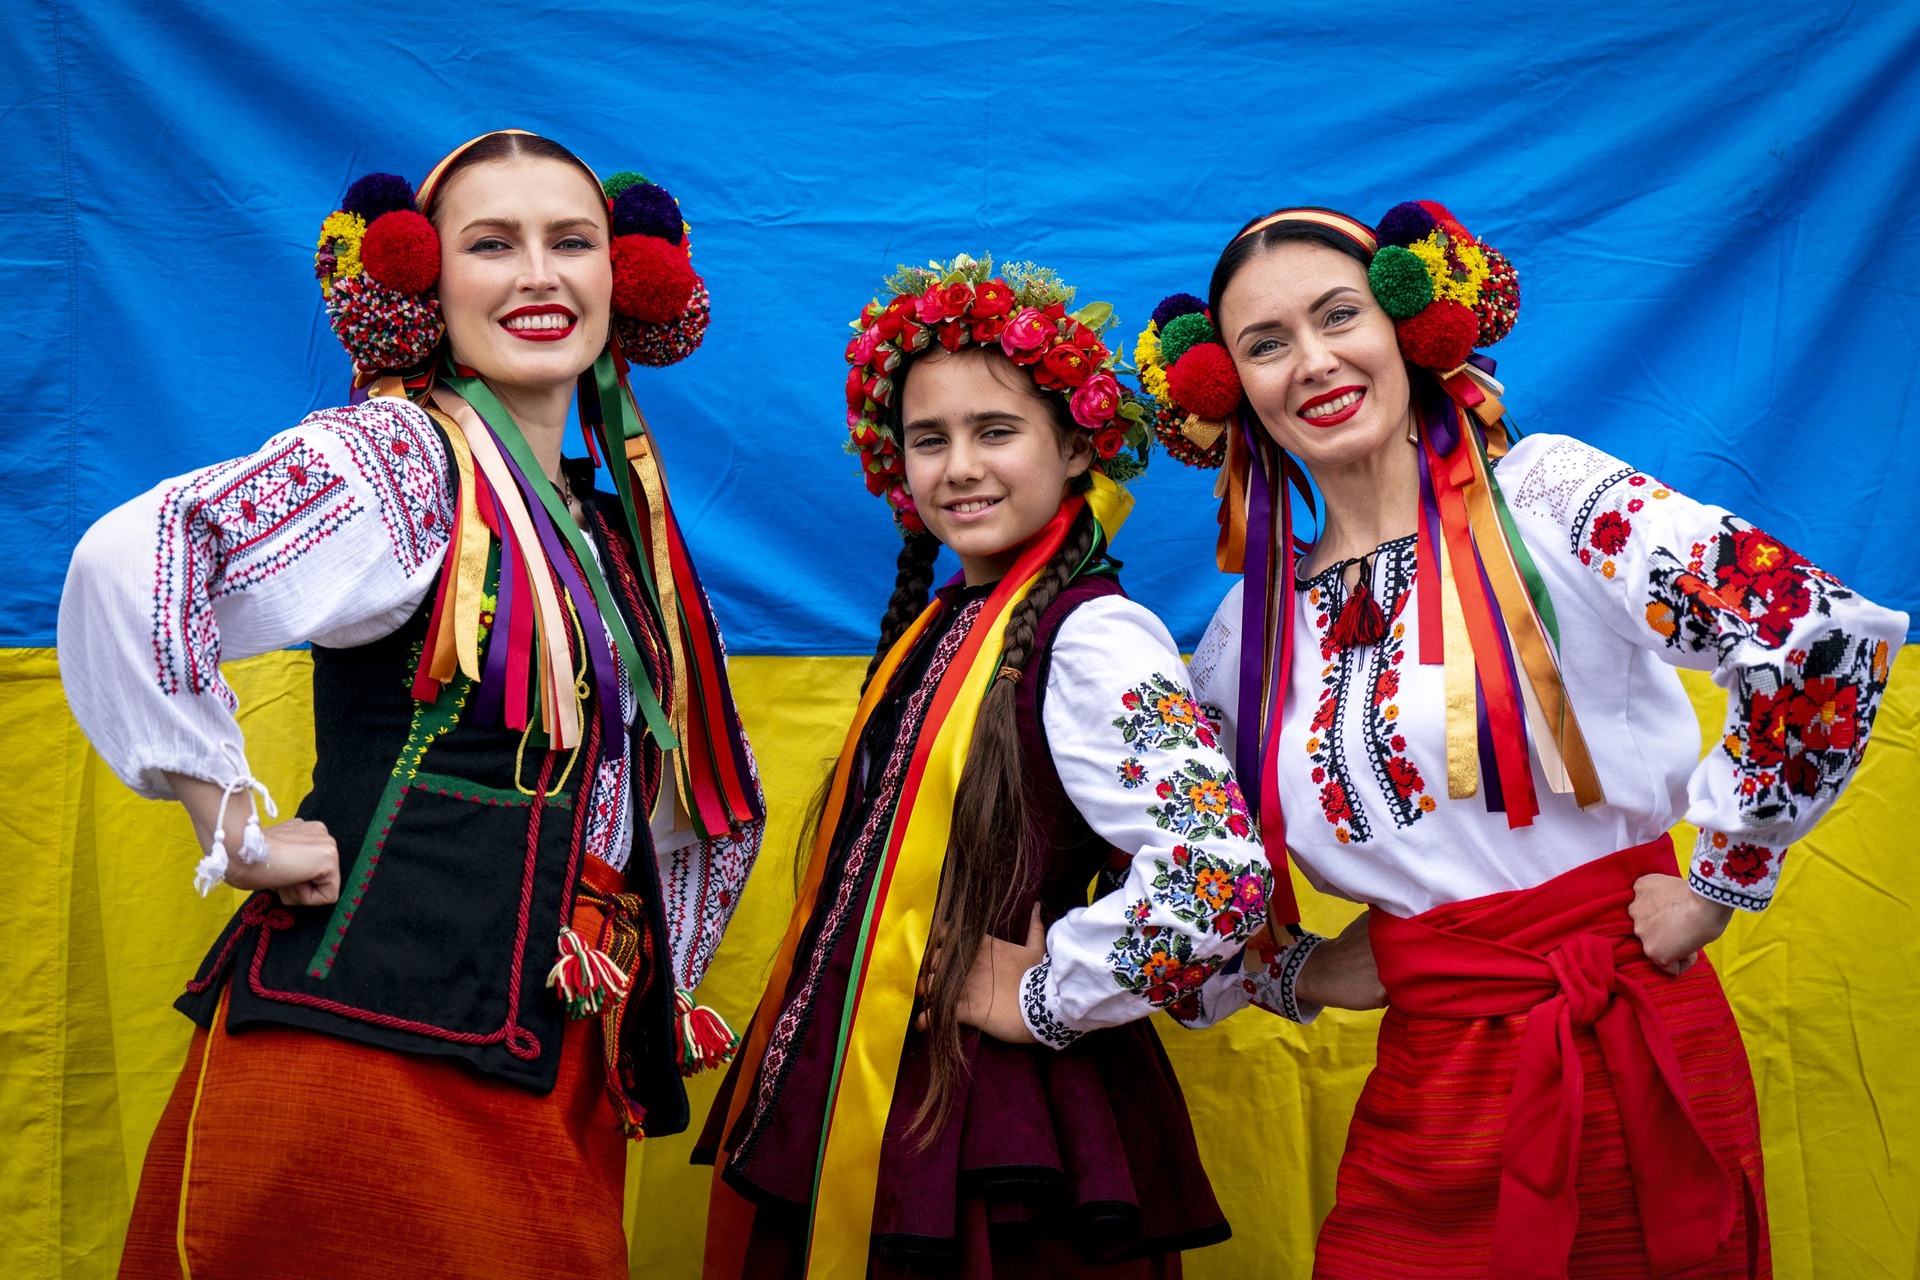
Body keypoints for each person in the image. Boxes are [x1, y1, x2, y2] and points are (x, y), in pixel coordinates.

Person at [1135, 203, 1906, 1277]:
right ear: (1232, 390)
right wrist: (1295, 972)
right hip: (1433, 1083)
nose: (1312, 362)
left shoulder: (1546, 499)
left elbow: (1808, 632)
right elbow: (1183, 855)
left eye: (1338, 315)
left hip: (1628, 1042)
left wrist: (1723, 878)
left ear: (1411, 322)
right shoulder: (1247, 635)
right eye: (1267, 344)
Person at [59, 128, 764, 1279]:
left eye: (570, 241)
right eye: (492, 244)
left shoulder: (618, 531)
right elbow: (138, 554)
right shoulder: (401, 459)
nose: (539, 273)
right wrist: (228, 819)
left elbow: (684, 804)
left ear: (620, 275)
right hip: (370, 1061)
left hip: (546, 1061)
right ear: (423, 283)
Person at [696, 254, 1271, 1278]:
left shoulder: (1093, 634)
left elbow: (1218, 873)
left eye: (995, 431)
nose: (959, 465)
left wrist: (1046, 988)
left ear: (1073, 444)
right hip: (890, 1091)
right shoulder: (947, 622)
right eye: (930, 439)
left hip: (996, 1127)